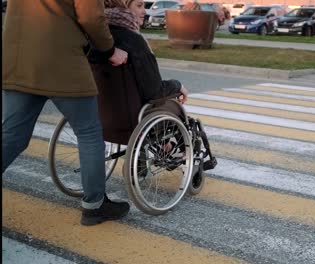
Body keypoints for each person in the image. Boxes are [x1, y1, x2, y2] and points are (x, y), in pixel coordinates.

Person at [2, 0, 131, 226]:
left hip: (19, 59)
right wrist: (110, 50)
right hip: (63, 62)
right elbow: (91, 17)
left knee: (12, 136)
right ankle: (95, 206)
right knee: (89, 133)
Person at [88, 0, 188, 146]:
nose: (145, 11)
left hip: (99, 117)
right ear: (123, 7)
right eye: (139, 6)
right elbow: (154, 91)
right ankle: (175, 149)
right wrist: (178, 86)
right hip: (132, 122)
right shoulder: (134, 41)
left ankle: (164, 145)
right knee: (174, 105)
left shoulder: (96, 39)